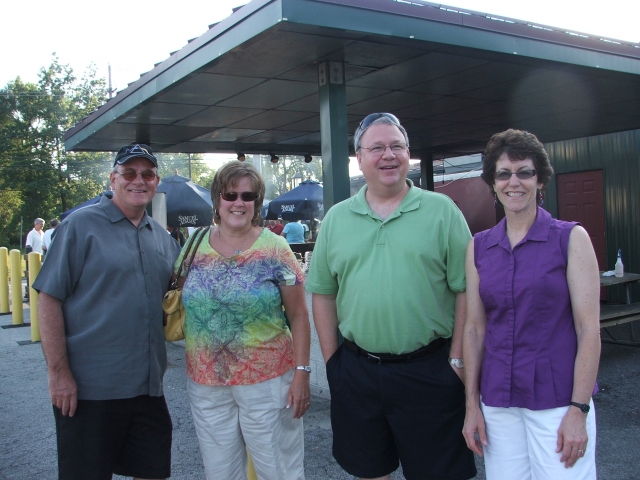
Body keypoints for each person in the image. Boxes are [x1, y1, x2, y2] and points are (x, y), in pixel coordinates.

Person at [306, 112, 476, 480]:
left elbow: (466, 290)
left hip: (430, 372)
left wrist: (458, 360)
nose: (388, 155)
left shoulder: (441, 211)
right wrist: (333, 362)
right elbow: (322, 293)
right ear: (360, 159)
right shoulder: (337, 219)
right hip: (358, 372)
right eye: (377, 147)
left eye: (397, 146)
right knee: (369, 471)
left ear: (408, 154)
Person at [33, 143, 181, 480]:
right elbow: (49, 299)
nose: (138, 181)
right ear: (113, 178)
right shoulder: (80, 226)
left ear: (156, 182)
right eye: (129, 173)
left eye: (147, 174)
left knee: (153, 473)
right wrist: (58, 373)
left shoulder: (163, 239)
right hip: (90, 391)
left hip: (147, 389)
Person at [462, 129, 600, 479]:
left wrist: (578, 410)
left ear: (540, 180)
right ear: (492, 183)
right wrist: (471, 406)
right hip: (498, 401)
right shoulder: (479, 247)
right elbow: (475, 329)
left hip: (556, 401)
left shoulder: (570, 239)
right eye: (504, 173)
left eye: (524, 171)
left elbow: (588, 329)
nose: (514, 182)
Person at [179, 161, 311, 479]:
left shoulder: (275, 248)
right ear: (217, 199)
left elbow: (299, 315)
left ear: (257, 202)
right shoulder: (193, 245)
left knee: (278, 470)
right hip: (207, 384)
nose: (238, 202)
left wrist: (302, 374)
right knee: (220, 472)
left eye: (248, 196)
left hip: (267, 382)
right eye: (230, 194)